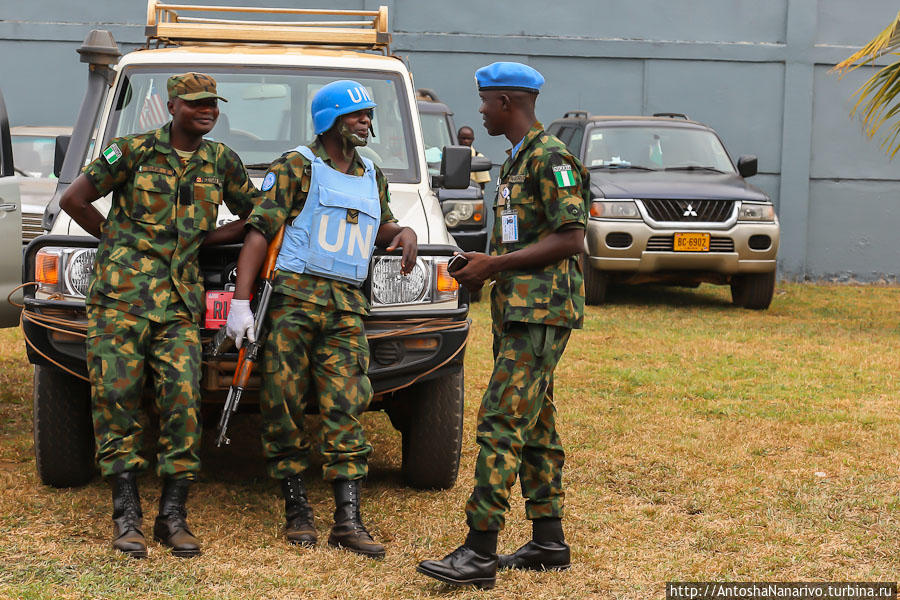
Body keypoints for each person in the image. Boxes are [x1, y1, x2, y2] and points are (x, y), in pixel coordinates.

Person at [59, 72, 259, 558]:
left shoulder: (220, 161)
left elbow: (257, 214)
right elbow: (73, 200)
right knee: (117, 400)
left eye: (212, 103)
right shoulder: (131, 151)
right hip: (120, 301)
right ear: (172, 107)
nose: (206, 110)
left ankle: (173, 516)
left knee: (183, 403)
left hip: (178, 306)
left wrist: (209, 239)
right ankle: (126, 515)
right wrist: (115, 238)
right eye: (195, 104)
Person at [225, 79, 417, 559]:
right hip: (293, 303)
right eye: (358, 115)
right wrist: (241, 303)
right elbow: (258, 232)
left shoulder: (372, 173)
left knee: (345, 405)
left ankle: (347, 520)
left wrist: (404, 231)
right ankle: (297, 510)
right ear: (331, 120)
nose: (366, 122)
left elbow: (379, 226)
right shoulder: (296, 166)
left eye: (369, 115)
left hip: (346, 308)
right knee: (283, 402)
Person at [416, 62, 589, 589]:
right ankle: (548, 539)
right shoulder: (520, 158)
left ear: (508, 102)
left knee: (500, 422)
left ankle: (479, 550)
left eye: (486, 102)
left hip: (541, 313)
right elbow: (522, 239)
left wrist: (496, 266)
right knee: (535, 424)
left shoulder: (550, 157)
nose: (482, 111)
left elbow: (571, 237)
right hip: (518, 309)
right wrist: (482, 263)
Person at [457, 125, 492, 189]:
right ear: (458, 138)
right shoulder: (451, 155)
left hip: (472, 195)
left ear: (473, 139)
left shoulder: (478, 157)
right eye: (463, 138)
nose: (466, 141)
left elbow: (481, 185)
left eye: (468, 139)